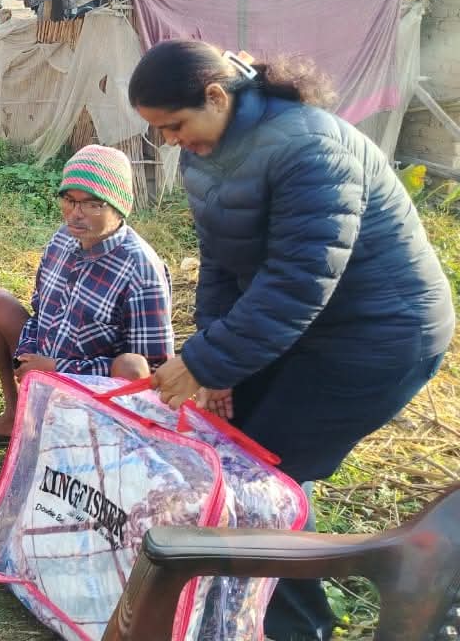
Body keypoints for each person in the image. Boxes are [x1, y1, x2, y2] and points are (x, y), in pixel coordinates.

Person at [129, 40, 455, 641]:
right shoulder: (206, 154)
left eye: (174, 125)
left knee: (264, 477)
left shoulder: (312, 146)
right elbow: (222, 261)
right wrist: (220, 361)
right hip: (298, 327)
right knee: (244, 458)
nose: (170, 141)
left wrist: (203, 361)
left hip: (379, 336)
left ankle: (293, 628)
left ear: (217, 96)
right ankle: (255, 610)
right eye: (160, 131)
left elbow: (297, 283)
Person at [0, 145, 175, 448]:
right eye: (69, 200)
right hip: (47, 371)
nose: (76, 214)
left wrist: (58, 368)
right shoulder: (62, 239)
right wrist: (28, 354)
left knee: (131, 366)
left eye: (92, 204)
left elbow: (150, 373)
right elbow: (39, 312)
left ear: (118, 207)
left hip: (94, 394)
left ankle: (100, 450)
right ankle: (15, 415)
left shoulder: (142, 270)